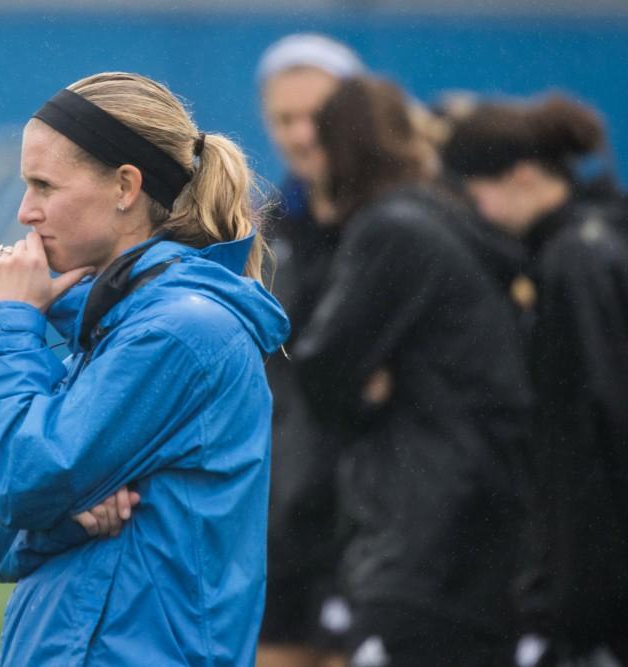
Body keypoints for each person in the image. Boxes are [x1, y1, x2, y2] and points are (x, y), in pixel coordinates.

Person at [0, 72, 290, 666]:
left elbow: (14, 478)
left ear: (126, 187)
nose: (26, 211)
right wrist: (66, 519)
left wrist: (10, 322)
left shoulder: (175, 331)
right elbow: (10, 543)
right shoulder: (121, 321)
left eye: (44, 185)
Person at [291, 77, 532, 666]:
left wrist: (371, 393)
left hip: (422, 535)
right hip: (488, 525)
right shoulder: (448, 216)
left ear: (335, 151)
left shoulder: (390, 229)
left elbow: (321, 370)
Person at [443, 94, 628, 667]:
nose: (474, 212)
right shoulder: (601, 242)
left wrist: (574, 602)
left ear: (523, 177)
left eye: (476, 193)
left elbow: (599, 434)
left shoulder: (575, 263)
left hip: (607, 591)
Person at [254, 32, 365, 667]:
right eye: (283, 118)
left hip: (379, 530)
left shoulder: (406, 225)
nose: (301, 135)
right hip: (282, 523)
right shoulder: (265, 232)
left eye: (317, 117)